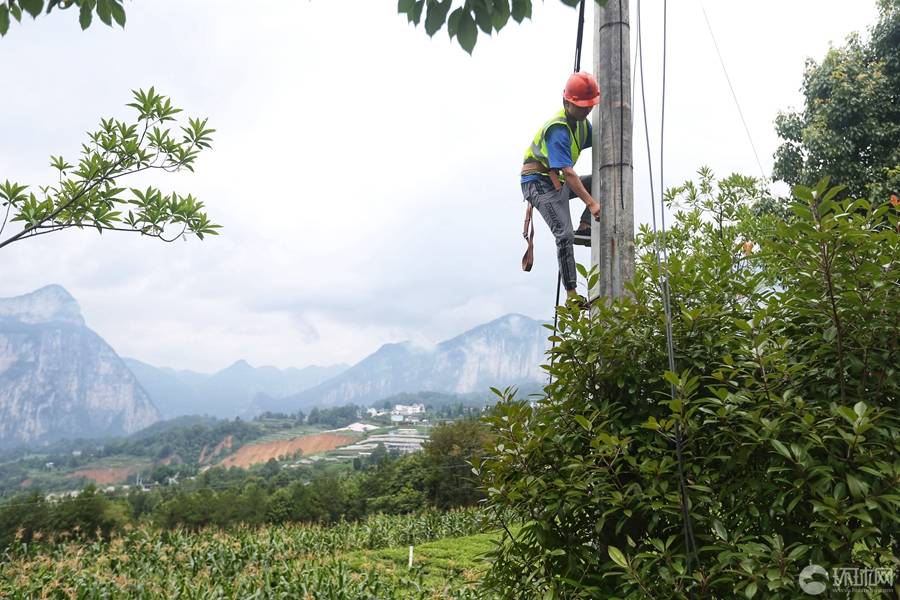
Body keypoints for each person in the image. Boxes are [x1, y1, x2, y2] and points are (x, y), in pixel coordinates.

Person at [520, 71, 602, 304]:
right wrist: (592, 203)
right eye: (582, 106)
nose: (587, 111)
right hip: (538, 182)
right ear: (567, 102)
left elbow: (602, 138)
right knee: (563, 233)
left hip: (557, 181)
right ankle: (572, 294)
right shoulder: (558, 130)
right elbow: (568, 172)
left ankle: (585, 227)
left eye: (590, 106)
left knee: (600, 179)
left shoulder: (582, 126)